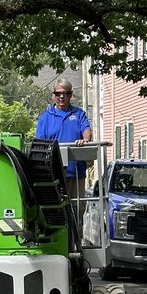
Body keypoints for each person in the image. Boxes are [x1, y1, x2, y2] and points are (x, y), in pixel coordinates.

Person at [34, 78, 92, 227]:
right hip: (53, 174)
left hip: (76, 172)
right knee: (56, 209)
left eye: (65, 93)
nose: (61, 96)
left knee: (77, 209)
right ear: (53, 95)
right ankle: (58, 241)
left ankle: (76, 244)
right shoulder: (46, 117)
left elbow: (86, 131)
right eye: (58, 93)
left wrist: (84, 140)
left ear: (70, 95)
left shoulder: (79, 114)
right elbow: (39, 143)